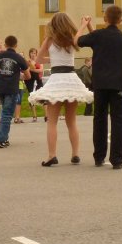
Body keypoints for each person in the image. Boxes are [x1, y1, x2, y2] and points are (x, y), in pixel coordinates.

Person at [29, 13, 93, 166]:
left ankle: (52, 155)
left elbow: (38, 59)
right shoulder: (73, 38)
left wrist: (53, 58)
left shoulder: (49, 39)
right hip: (71, 79)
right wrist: (84, 25)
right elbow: (86, 37)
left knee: (52, 122)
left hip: (57, 80)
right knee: (72, 121)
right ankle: (75, 154)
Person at [76, 5, 122, 169]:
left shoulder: (98, 36)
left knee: (99, 119)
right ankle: (117, 160)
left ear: (105, 19)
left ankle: (99, 156)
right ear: (120, 20)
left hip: (101, 85)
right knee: (119, 122)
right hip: (119, 85)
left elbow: (77, 41)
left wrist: (83, 25)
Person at [0, 36, 30, 148]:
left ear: (5, 45)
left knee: (6, 113)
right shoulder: (19, 58)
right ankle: (0, 139)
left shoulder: (0, 55)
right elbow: (28, 76)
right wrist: (19, 76)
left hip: (0, 88)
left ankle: (4, 138)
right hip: (11, 89)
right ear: (16, 45)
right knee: (7, 114)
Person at [25, 48, 45, 122]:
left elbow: (41, 70)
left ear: (36, 54)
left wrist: (32, 69)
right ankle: (34, 116)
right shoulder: (28, 62)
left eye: (34, 53)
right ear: (29, 54)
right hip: (30, 81)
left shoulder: (39, 61)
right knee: (31, 98)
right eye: (31, 53)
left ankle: (46, 115)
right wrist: (31, 67)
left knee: (42, 97)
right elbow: (26, 70)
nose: (33, 54)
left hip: (38, 80)